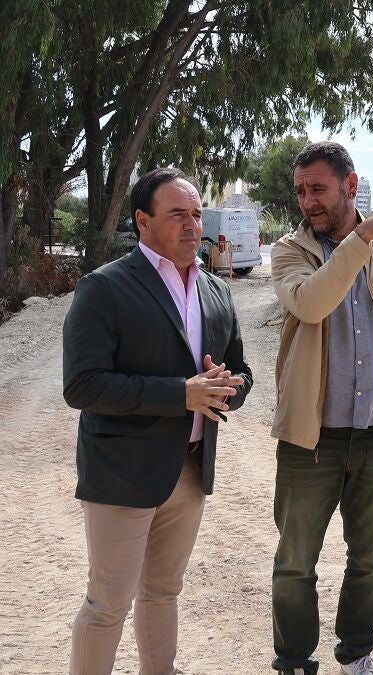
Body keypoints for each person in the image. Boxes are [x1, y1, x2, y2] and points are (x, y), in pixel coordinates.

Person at [63, 167, 253, 674]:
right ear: (143, 221)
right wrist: (181, 394)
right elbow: (83, 385)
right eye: (177, 215)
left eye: (196, 214)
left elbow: (241, 371)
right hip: (122, 472)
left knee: (164, 590)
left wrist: (227, 389)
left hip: (189, 470)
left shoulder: (216, 290)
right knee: (108, 602)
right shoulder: (103, 288)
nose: (192, 225)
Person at [270, 141, 373, 675]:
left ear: (350, 184)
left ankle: (356, 653)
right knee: (295, 562)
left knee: (370, 559)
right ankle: (293, 660)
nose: (307, 201)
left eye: (317, 188)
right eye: (301, 191)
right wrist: (362, 238)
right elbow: (312, 303)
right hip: (310, 440)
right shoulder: (291, 252)